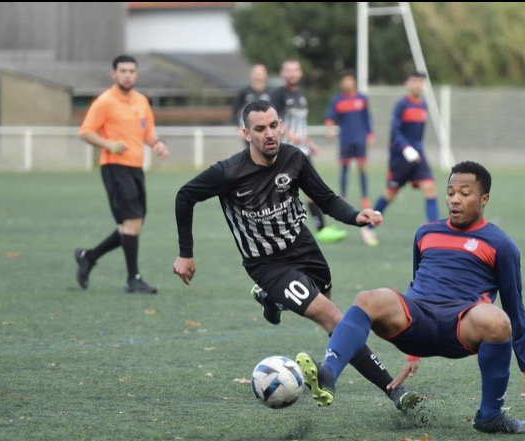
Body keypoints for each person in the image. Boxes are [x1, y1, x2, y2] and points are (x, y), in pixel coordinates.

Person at [172, 100, 421, 411]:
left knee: (333, 316)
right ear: (246, 134)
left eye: (273, 125)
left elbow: (325, 199)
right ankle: (393, 391)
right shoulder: (229, 172)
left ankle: (273, 300)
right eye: (260, 129)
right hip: (268, 265)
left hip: (303, 247)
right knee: (335, 319)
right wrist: (185, 254)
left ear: (281, 126)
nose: (269, 134)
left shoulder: (294, 158)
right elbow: (185, 196)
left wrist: (356, 216)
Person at [297, 161, 525, 434]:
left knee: (499, 320)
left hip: (461, 325)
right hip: (417, 319)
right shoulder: (426, 233)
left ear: (484, 199)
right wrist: (413, 352)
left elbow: (516, 311)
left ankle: (490, 416)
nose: (455, 200)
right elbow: (417, 287)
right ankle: (328, 373)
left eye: (464, 194)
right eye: (450, 193)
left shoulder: (501, 245)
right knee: (367, 298)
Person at [75, 54, 169, 294]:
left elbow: (148, 132)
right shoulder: (105, 101)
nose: (127, 75)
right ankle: (132, 279)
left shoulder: (141, 101)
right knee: (132, 222)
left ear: (136, 74)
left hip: (136, 167)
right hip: (114, 166)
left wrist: (157, 143)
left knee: (133, 226)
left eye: (131, 71)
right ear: (114, 74)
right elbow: (85, 132)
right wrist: (110, 145)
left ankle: (88, 257)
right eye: (123, 71)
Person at [272, 59, 347, 244]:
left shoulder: (300, 95)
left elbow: (301, 124)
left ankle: (322, 229)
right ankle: (277, 229)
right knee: (283, 191)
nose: (292, 73)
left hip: (303, 150)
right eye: (288, 70)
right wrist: (289, 134)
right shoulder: (278, 94)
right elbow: (273, 120)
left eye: (295, 70)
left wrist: (309, 141)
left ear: (300, 73)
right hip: (286, 150)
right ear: (283, 73)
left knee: (312, 189)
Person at [362, 71, 439, 247]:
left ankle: (434, 234)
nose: (417, 85)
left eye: (420, 82)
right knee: (390, 194)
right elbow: (395, 131)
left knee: (430, 189)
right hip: (400, 158)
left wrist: (416, 150)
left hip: (418, 156)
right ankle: (368, 226)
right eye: (414, 81)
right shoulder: (401, 105)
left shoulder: (424, 105)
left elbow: (419, 134)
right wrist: (406, 148)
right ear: (407, 84)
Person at [324, 70, 375, 210]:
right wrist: (329, 130)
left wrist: (370, 134)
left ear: (354, 82)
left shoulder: (362, 99)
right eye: (344, 81)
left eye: (349, 80)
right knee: (344, 168)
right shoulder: (336, 100)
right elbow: (330, 118)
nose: (347, 83)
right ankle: (343, 196)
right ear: (341, 83)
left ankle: (365, 197)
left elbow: (367, 118)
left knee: (362, 168)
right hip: (345, 139)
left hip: (360, 139)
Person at [232, 64, 272, 141]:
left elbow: (276, 112)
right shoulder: (244, 92)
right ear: (251, 75)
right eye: (256, 74)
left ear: (265, 75)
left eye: (260, 74)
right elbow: (235, 110)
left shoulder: (270, 93)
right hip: (249, 130)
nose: (258, 76)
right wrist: (239, 127)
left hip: (266, 130)